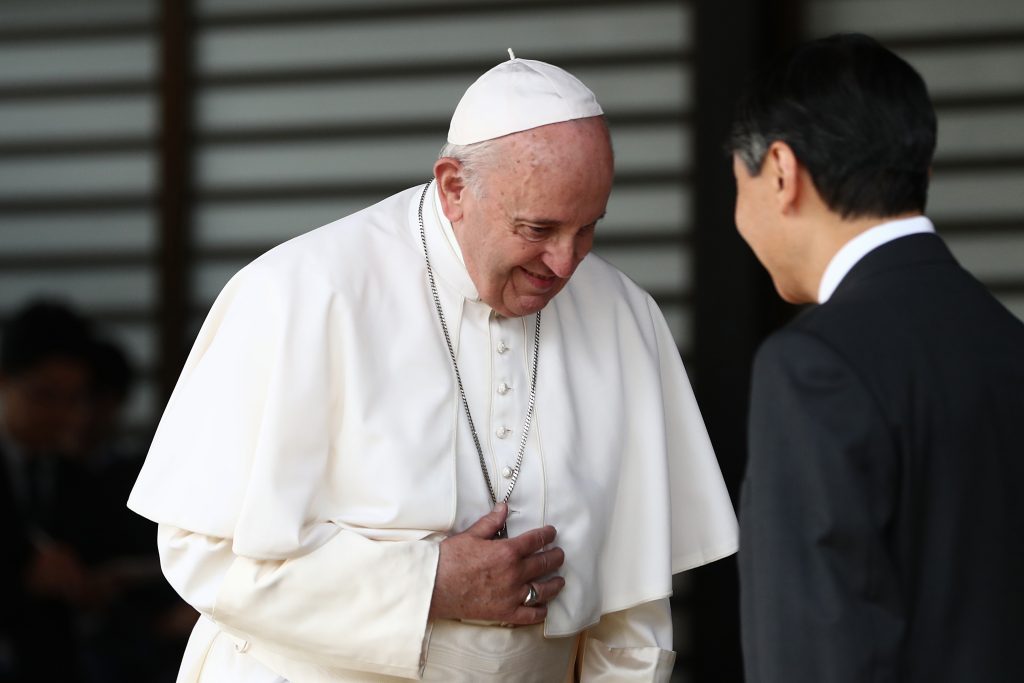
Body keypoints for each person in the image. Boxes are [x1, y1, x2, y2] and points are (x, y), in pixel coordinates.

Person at [128, 53, 738, 681]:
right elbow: (201, 552)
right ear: (453, 187)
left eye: (588, 230)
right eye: (538, 228)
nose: (564, 264)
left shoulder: (621, 314)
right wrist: (428, 584)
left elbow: (631, 610)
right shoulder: (301, 292)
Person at [730, 33, 1024, 682]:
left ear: (781, 171)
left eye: (738, 185)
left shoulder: (812, 365)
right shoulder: (1008, 342)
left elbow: (810, 653)